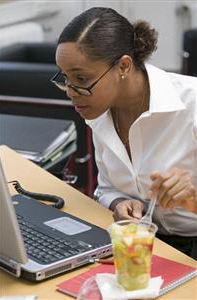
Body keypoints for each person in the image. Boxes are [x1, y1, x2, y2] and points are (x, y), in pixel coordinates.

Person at [52, 7, 197, 259]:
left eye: (82, 78)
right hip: (143, 245)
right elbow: (106, 188)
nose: (70, 91)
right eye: (65, 78)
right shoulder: (99, 111)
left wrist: (193, 198)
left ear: (123, 66)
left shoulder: (191, 103)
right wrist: (119, 203)